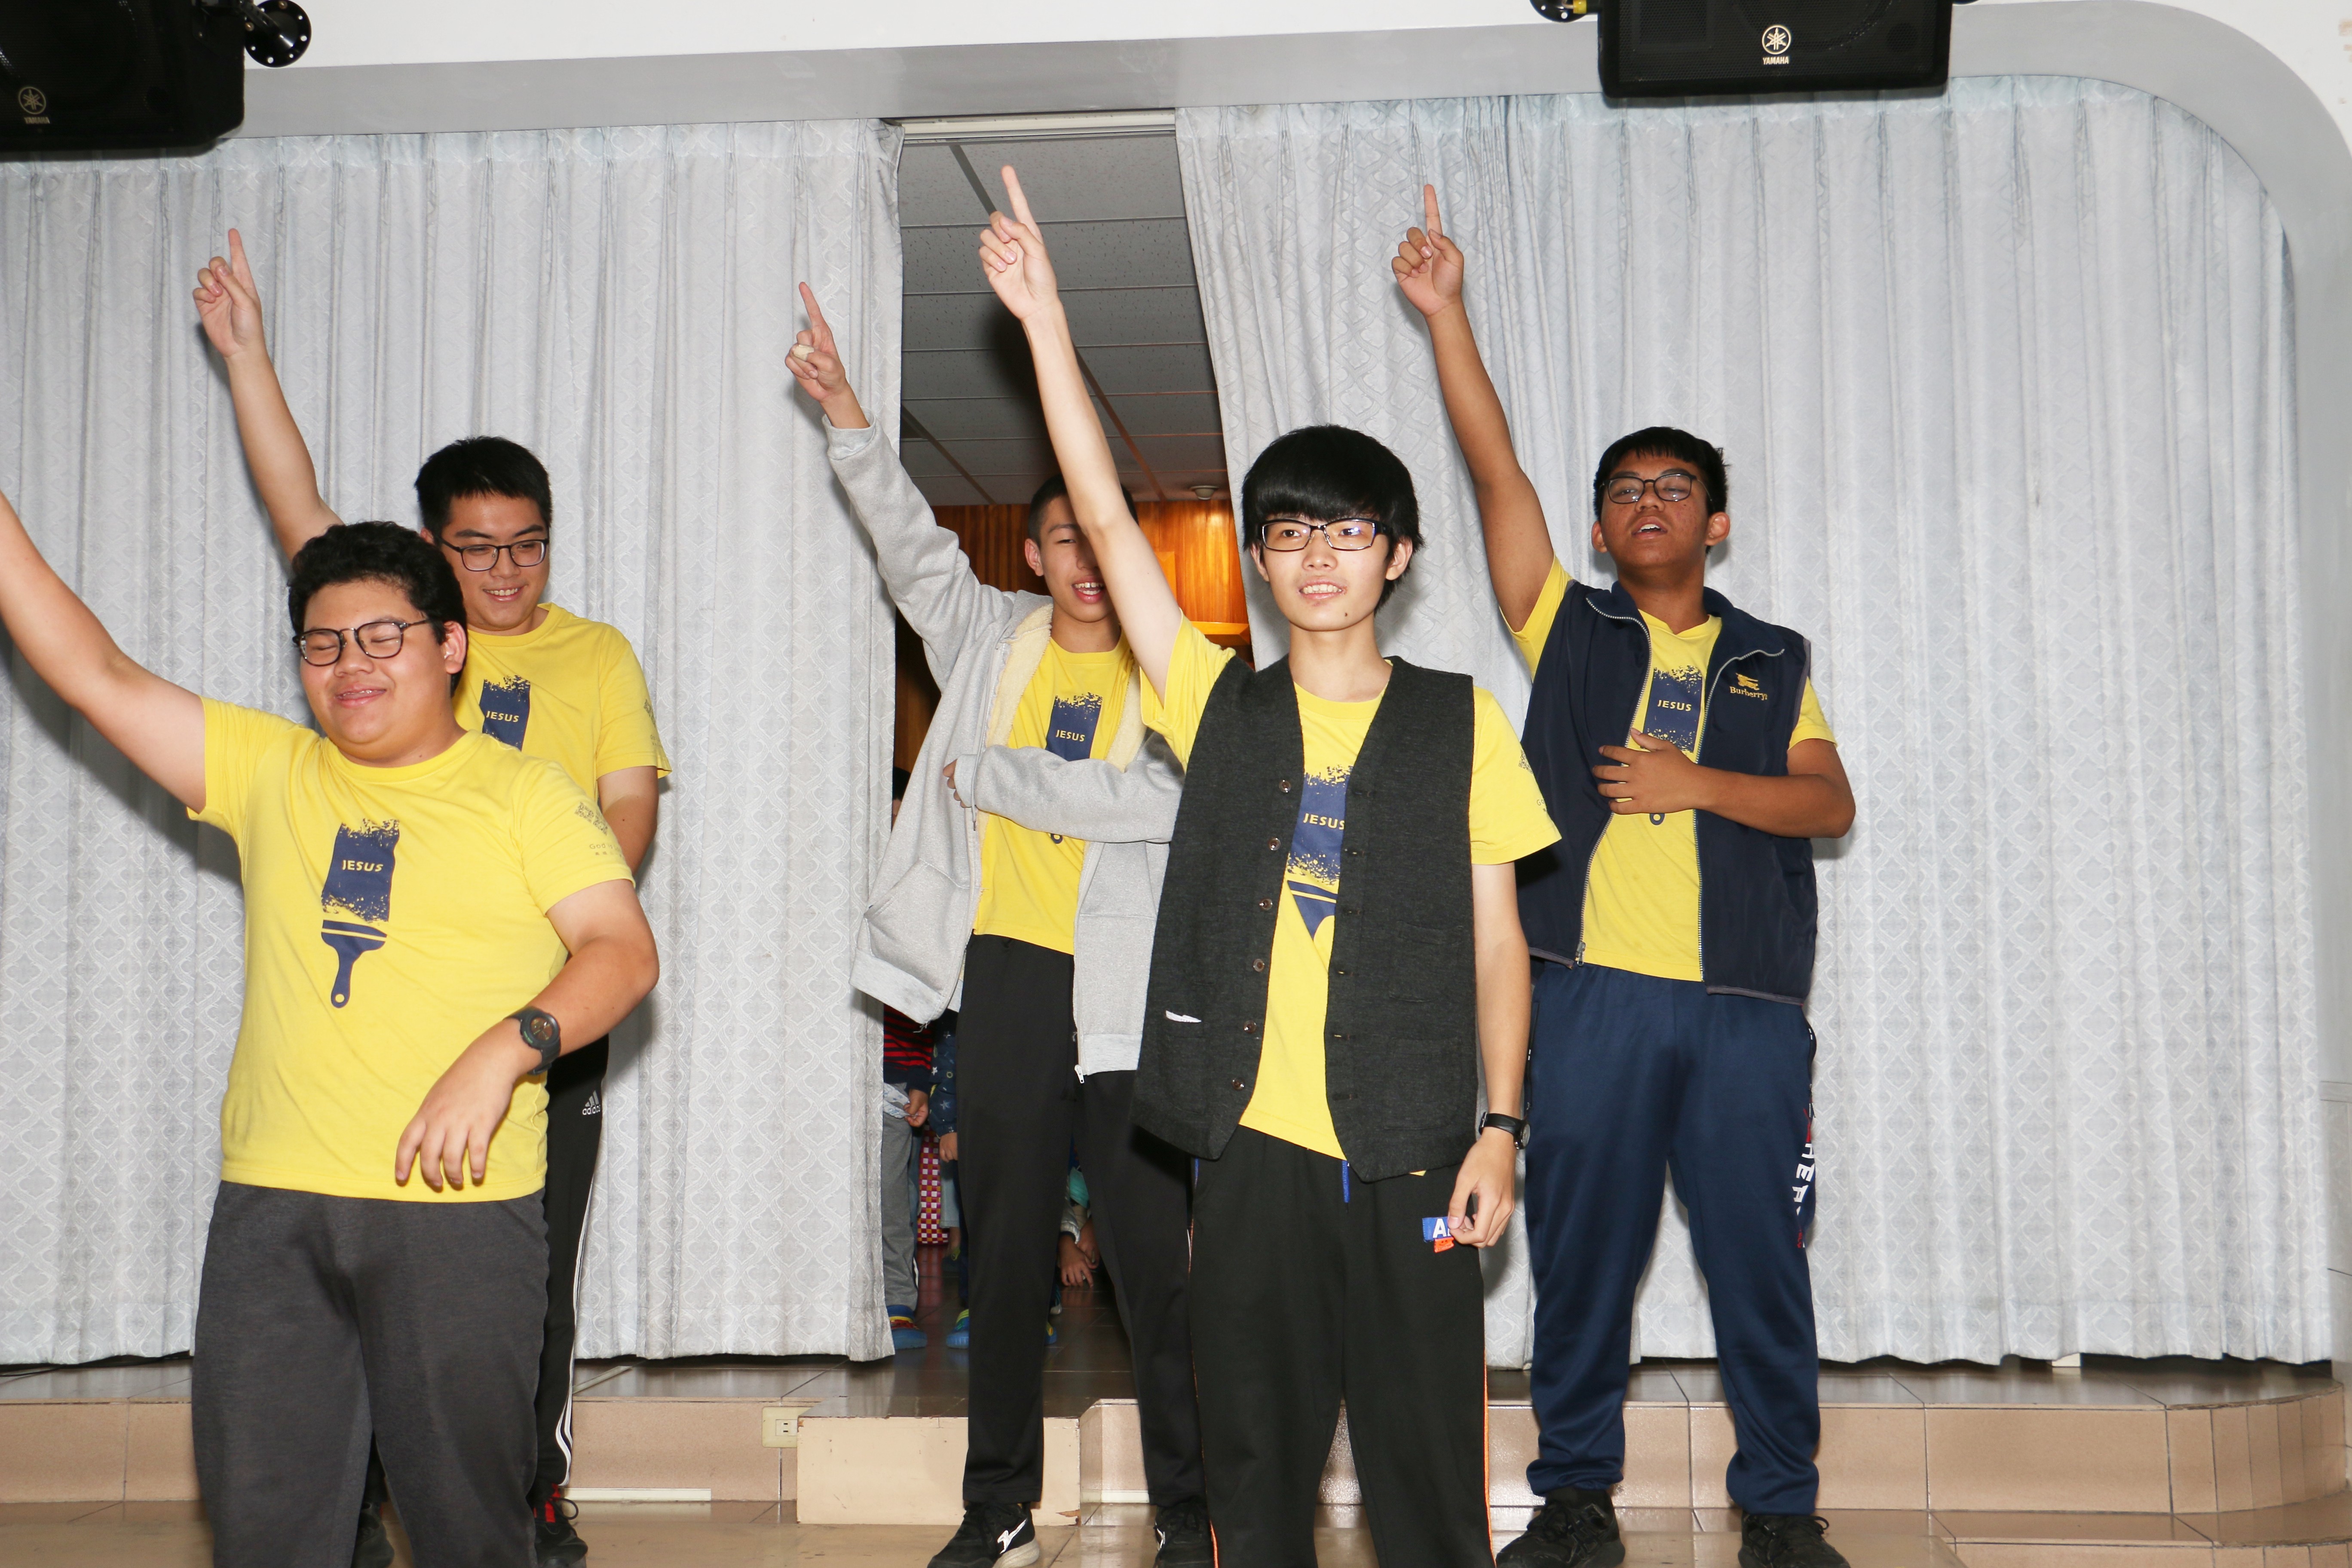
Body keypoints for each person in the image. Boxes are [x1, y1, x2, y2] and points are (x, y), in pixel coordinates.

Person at [981, 165, 1560, 1568]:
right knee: (1256, 1481)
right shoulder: (1217, 705)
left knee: (1431, 1486)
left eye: (1347, 532)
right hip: (1248, 1153)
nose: (1317, 558)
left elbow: (1499, 943)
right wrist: (1048, 327)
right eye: (1290, 533)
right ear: (1258, 555)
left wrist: (1500, 1126)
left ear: (1397, 555)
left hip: (1415, 1146)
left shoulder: (1462, 723)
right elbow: (1105, 522)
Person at [0, 496, 657, 1566]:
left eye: (384, 636)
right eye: (324, 643)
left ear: (451, 647)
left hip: (458, 1214)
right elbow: (93, 673)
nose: (352, 664)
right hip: (273, 1213)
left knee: (470, 1534)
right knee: (268, 1531)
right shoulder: (270, 769)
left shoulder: (526, 794)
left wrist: (504, 1050)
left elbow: (622, 953)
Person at [194, 233, 673, 1568]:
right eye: (478, 550)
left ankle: (522, 1498)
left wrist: (552, 932)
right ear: (431, 554)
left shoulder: (595, 656)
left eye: (528, 549)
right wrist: (248, 360)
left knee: (511, 1275)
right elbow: (299, 513)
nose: (507, 572)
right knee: (334, 1314)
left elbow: (627, 818)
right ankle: (338, 1508)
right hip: (381, 1012)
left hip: (543, 987)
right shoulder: (385, 633)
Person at [1395, 189, 1856, 1568]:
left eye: (1675, 490)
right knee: (1582, 1261)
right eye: (1625, 492)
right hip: (1588, 1003)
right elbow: (1496, 477)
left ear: (1719, 524)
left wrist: (1694, 783)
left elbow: (1829, 803)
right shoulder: (1571, 628)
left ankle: (1782, 1511)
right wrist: (1448, 318)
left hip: (1747, 1012)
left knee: (1760, 1267)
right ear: (1600, 531)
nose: (1648, 504)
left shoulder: (1772, 657)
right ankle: (1576, 1500)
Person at [788, 287, 1209, 1568]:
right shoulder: (985, 639)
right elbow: (909, 543)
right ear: (1032, 556)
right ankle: (1000, 1504)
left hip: (1131, 993)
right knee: (1007, 1260)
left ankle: (1194, 1511)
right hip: (1008, 979)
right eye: (1061, 539)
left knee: (1151, 1262)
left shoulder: (1179, 673)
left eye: (1101, 535)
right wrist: (849, 416)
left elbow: (1166, 807)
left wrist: (1006, 779)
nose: (1083, 559)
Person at [883, 1000, 937, 1352]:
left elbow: (920, 997)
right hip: (825, 1067)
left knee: (891, 1194)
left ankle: (897, 1297)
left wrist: (919, 1077)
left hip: (893, 1078)